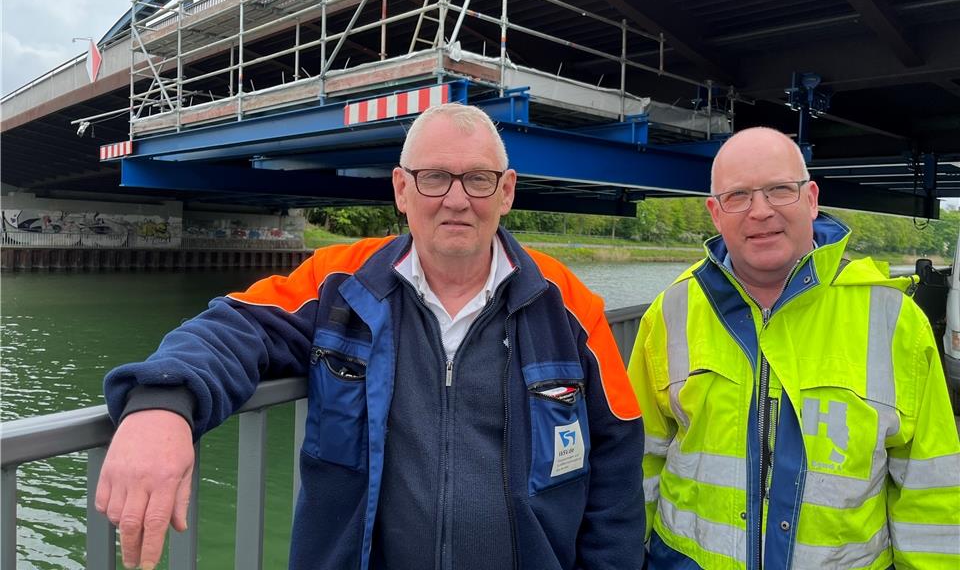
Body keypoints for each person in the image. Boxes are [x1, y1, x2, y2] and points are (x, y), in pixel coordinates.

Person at [96, 103, 645, 570]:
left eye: (478, 179)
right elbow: (236, 325)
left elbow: (616, 464)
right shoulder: (341, 284)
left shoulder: (567, 304)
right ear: (402, 189)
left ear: (506, 192)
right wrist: (162, 403)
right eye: (434, 178)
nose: (456, 199)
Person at [628, 127, 960, 569]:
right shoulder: (670, 312)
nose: (760, 212)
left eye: (780, 190)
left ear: (812, 198)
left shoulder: (895, 322)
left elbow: (930, 496)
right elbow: (635, 466)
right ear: (715, 212)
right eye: (738, 196)